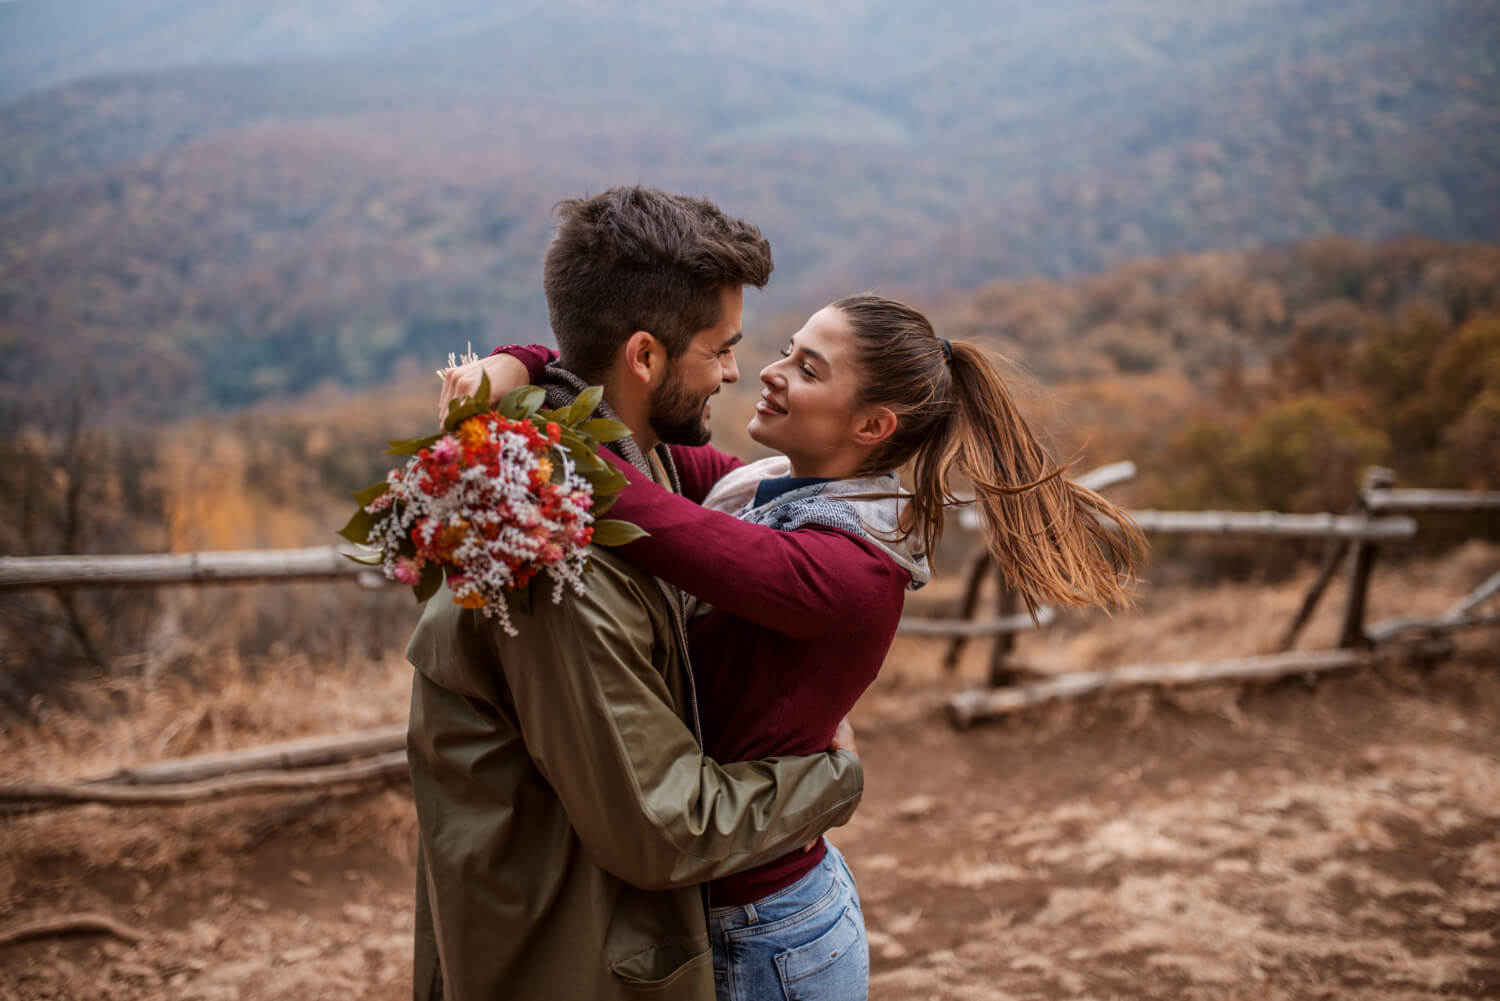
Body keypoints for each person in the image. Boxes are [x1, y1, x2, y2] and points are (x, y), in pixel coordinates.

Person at [449, 295, 1145, 1001]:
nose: (768, 372)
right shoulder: (759, 486)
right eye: (787, 349)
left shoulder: (844, 570)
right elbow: (623, 432)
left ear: (873, 425)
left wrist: (516, 388)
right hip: (728, 903)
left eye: (807, 369)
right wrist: (524, 362)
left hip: (766, 933)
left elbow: (618, 490)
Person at [407, 186, 869, 1001]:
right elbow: (659, 827)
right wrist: (831, 778)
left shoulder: (610, 457)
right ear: (645, 357)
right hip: (568, 955)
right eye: (718, 348)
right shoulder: (556, 554)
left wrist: (516, 362)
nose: (736, 370)